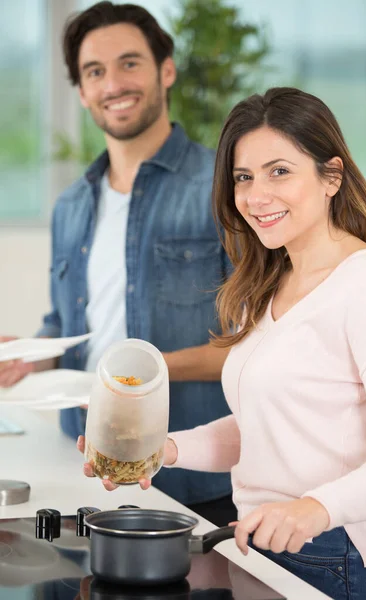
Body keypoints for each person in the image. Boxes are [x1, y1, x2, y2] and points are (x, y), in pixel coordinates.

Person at [81, 87, 366, 599]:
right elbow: (265, 427)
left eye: (280, 171)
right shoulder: (270, 285)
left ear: (331, 177)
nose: (256, 196)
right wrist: (161, 450)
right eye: (243, 177)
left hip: (344, 555)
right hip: (262, 543)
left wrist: (314, 508)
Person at [0, 1, 235, 525]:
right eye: (95, 71)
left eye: (130, 63)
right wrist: (28, 356)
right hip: (84, 466)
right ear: (82, 91)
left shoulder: (224, 187)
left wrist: (127, 383)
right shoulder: (71, 206)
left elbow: (254, 344)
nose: (113, 84)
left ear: (165, 69)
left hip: (193, 484)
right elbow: (67, 325)